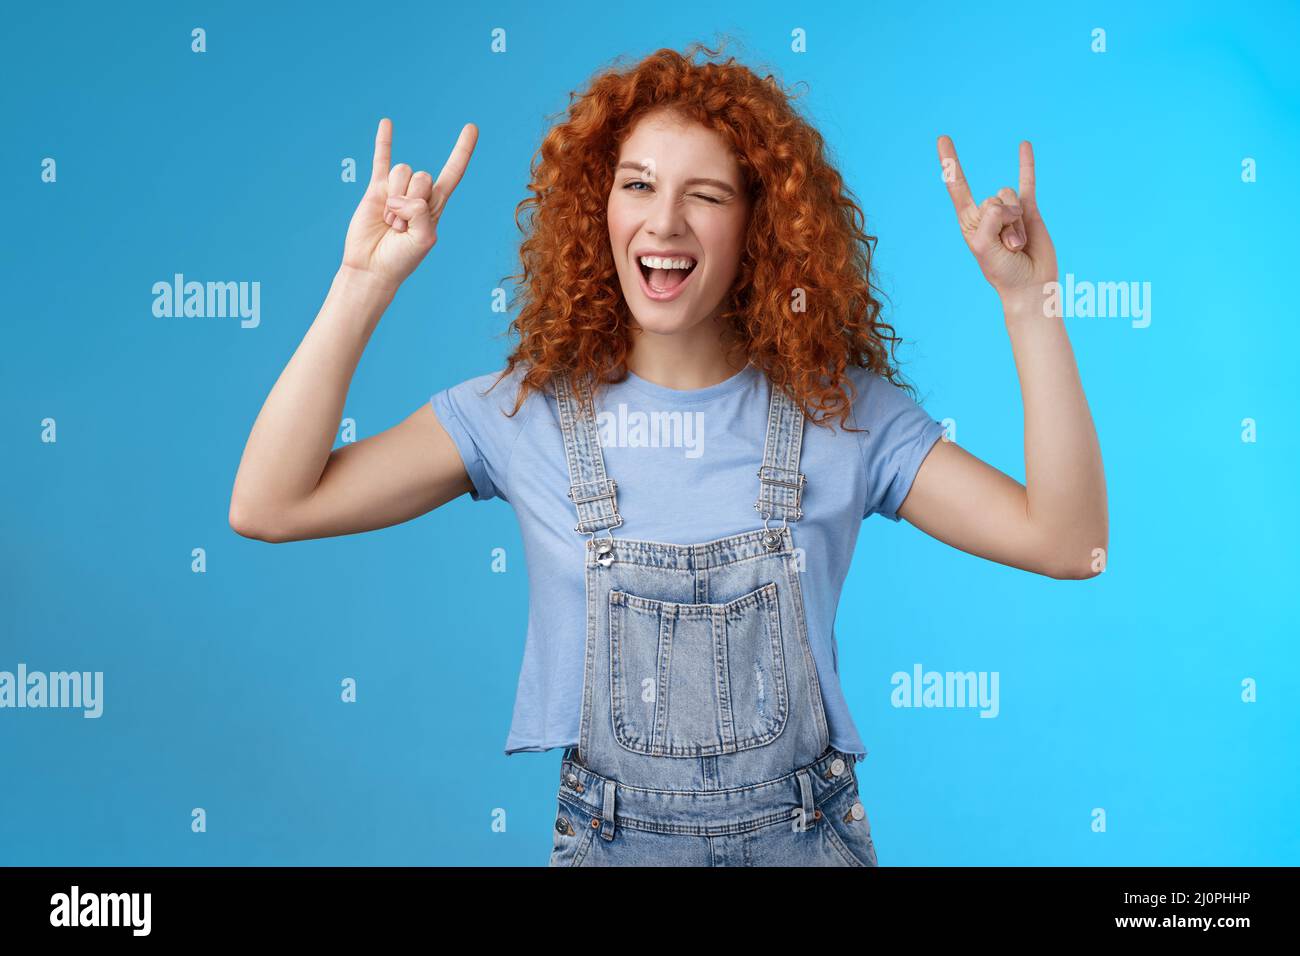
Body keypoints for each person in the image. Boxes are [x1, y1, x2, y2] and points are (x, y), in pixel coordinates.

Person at [228, 43, 1107, 867]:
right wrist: (363, 282)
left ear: (760, 225)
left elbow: (1068, 544)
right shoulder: (524, 414)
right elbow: (271, 505)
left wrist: (1032, 302)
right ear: (597, 208)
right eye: (638, 185)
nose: (664, 220)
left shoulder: (844, 418)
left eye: (707, 195)